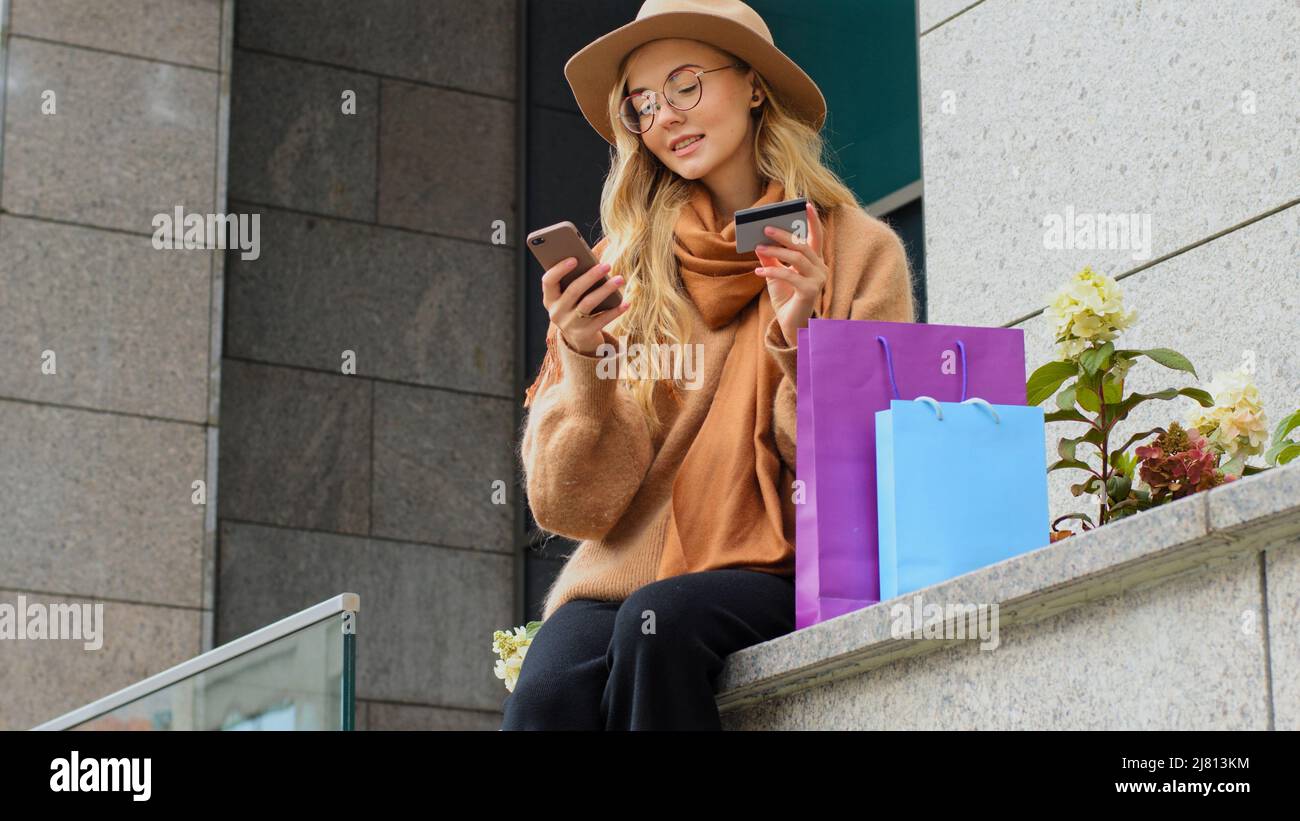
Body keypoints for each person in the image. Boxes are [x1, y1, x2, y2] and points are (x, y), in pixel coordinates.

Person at [502, 0, 916, 730]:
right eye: (642, 103)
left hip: (786, 563)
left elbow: (864, 467)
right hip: (627, 574)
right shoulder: (621, 268)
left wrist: (803, 334)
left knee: (661, 626)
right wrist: (584, 358)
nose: (665, 115)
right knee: (546, 690)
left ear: (754, 84)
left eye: (686, 83)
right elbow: (573, 508)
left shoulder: (856, 249)